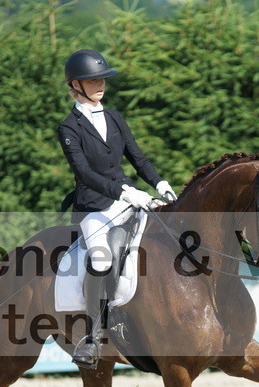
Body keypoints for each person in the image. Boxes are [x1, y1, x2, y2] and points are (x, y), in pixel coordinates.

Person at [58, 48, 177, 368]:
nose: (100, 84)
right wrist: (125, 192)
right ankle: (94, 335)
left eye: (102, 79)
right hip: (94, 207)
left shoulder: (114, 117)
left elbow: (137, 158)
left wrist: (160, 183)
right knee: (100, 256)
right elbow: (85, 174)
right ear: (76, 85)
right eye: (93, 80)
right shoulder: (69, 127)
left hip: (129, 200)